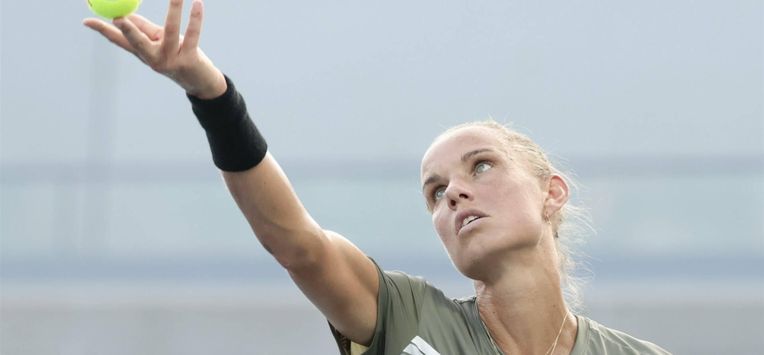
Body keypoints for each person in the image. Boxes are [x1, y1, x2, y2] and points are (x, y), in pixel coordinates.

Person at [83, 1, 671, 354]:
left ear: (552, 193)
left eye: (482, 165)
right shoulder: (404, 315)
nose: (455, 192)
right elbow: (298, 245)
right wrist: (212, 96)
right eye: (436, 193)